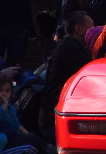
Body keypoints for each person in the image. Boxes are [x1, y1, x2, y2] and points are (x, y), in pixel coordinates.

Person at [39, 11, 93, 145]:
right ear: (79, 29)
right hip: (54, 122)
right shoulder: (70, 49)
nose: (93, 30)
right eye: (91, 27)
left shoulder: (71, 46)